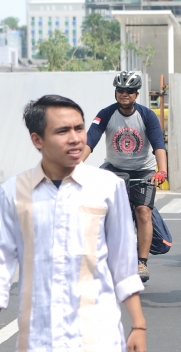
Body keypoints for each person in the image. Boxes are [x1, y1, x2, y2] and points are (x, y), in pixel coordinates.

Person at [0, 95, 146, 351]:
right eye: (62, 131)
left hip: (99, 337)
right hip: (38, 339)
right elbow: (2, 264)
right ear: (37, 140)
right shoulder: (14, 191)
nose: (76, 138)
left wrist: (138, 325)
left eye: (79, 128)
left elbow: (123, 263)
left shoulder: (107, 186)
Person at [82, 71, 167, 283]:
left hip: (143, 170)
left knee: (143, 211)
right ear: (116, 92)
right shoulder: (106, 113)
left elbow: (158, 145)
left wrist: (162, 171)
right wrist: (75, 166)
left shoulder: (147, 116)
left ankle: (142, 262)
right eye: (120, 90)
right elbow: (89, 141)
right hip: (114, 168)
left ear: (136, 94)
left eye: (129, 91)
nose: (124, 94)